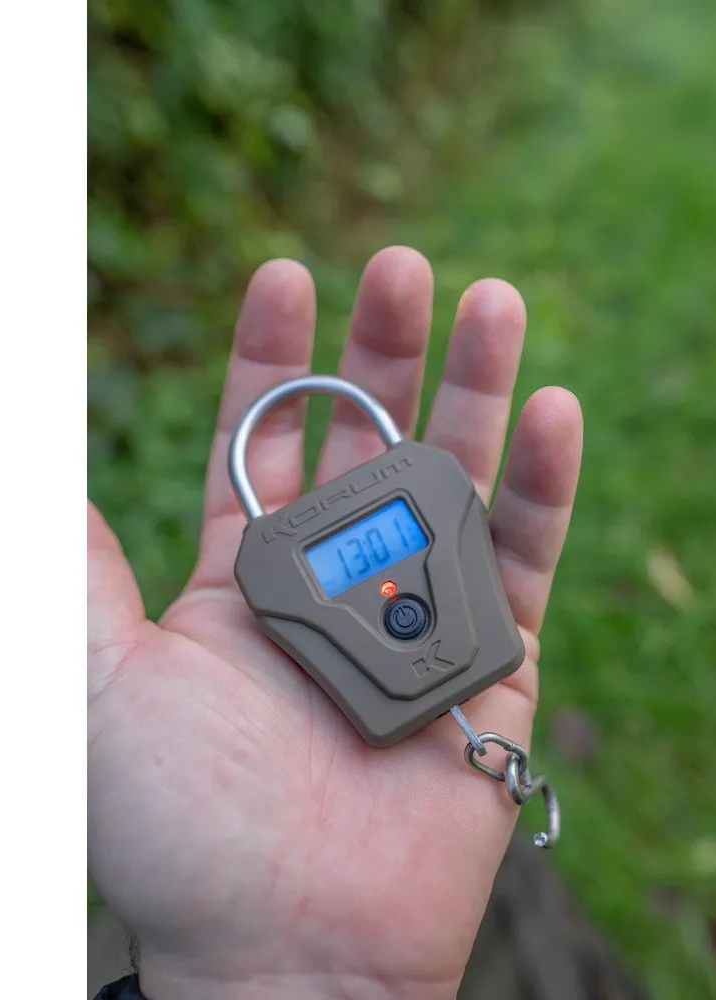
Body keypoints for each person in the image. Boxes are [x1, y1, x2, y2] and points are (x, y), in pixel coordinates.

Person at [88, 246, 584, 999]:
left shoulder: (409, 491)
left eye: (387, 542)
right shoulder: (270, 563)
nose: (390, 588)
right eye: (355, 560)